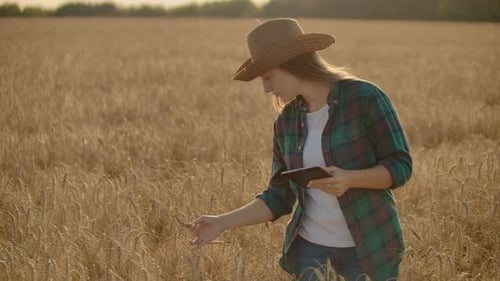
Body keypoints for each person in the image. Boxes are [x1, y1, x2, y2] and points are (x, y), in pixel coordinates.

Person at [190, 18, 412, 281]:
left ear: (291, 63)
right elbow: (279, 195)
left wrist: (350, 179)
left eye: (268, 77)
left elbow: (401, 165)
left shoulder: (365, 98)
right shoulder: (286, 122)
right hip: (310, 251)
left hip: (370, 248)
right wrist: (222, 222)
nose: (265, 88)